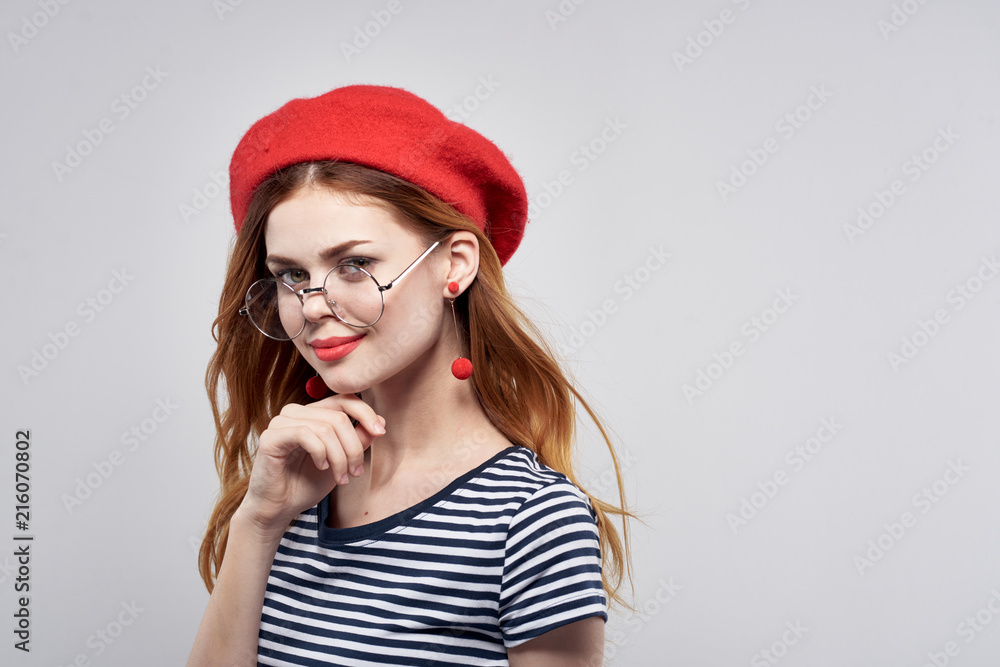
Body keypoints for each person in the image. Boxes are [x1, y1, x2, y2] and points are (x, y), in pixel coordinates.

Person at [186, 84, 633, 666]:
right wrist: (259, 522)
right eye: (292, 275)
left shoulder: (530, 519)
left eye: (354, 264)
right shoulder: (289, 485)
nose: (314, 305)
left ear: (455, 264)